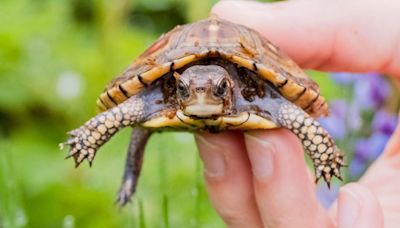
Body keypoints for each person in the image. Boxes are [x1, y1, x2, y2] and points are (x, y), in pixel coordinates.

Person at [195, 0, 400, 227]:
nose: (203, 96)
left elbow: (293, 114)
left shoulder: (260, 96)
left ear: (229, 86)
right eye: (185, 90)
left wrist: (325, 157)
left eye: (220, 89)